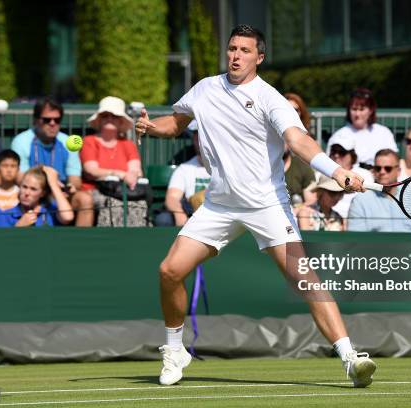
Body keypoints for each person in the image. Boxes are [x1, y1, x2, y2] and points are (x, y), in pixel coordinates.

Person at [136, 24, 374, 388]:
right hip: (219, 205)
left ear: (259, 57)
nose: (235, 56)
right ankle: (174, 349)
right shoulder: (203, 89)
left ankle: (349, 358)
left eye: (245, 50)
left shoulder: (271, 99)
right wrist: (152, 127)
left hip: (267, 205)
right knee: (169, 271)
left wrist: (336, 170)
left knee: (305, 280)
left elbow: (298, 141)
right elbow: (177, 122)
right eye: (232, 48)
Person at [11, 97, 94, 227]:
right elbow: (21, 178)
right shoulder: (21, 141)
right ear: (36, 120)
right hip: (35, 194)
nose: (52, 123)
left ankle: (82, 244)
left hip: (61, 195)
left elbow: (75, 179)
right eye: (47, 120)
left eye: (57, 120)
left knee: (85, 199)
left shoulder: (68, 141)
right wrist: (47, 176)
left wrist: (70, 186)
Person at [80, 96, 147, 227]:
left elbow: (136, 170)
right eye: (105, 115)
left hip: (125, 191)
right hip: (96, 190)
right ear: (99, 120)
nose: (109, 119)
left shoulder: (128, 145)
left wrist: (131, 176)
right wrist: (120, 174)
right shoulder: (89, 141)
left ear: (121, 121)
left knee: (139, 205)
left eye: (114, 116)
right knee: (112, 204)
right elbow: (91, 170)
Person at [347, 149, 411, 232]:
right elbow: (356, 238)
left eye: (388, 168)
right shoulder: (360, 201)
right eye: (378, 168)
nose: (382, 172)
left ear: (398, 171)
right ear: (373, 171)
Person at [156, 120, 211, 226]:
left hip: (220, 213)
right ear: (194, 139)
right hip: (192, 213)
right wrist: (179, 213)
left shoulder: (226, 166)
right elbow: (172, 197)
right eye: (197, 135)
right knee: (164, 219)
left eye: (204, 135)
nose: (200, 140)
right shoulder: (184, 169)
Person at [325, 88, 397, 168]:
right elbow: (330, 165)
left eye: (362, 109)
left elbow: (393, 161)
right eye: (354, 109)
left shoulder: (384, 133)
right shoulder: (339, 136)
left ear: (371, 110)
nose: (357, 114)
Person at [4, 166, 74, 227]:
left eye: (33, 189)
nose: (27, 193)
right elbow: (2, 241)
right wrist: (18, 226)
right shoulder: (7, 215)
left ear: (42, 193)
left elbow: (67, 217)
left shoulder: (50, 211)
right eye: (24, 187)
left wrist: (53, 184)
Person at [326, 132, 374, 222]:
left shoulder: (365, 175)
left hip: (357, 220)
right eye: (333, 151)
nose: (336, 155)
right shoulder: (322, 173)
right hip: (329, 221)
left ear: (352, 155)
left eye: (342, 152)